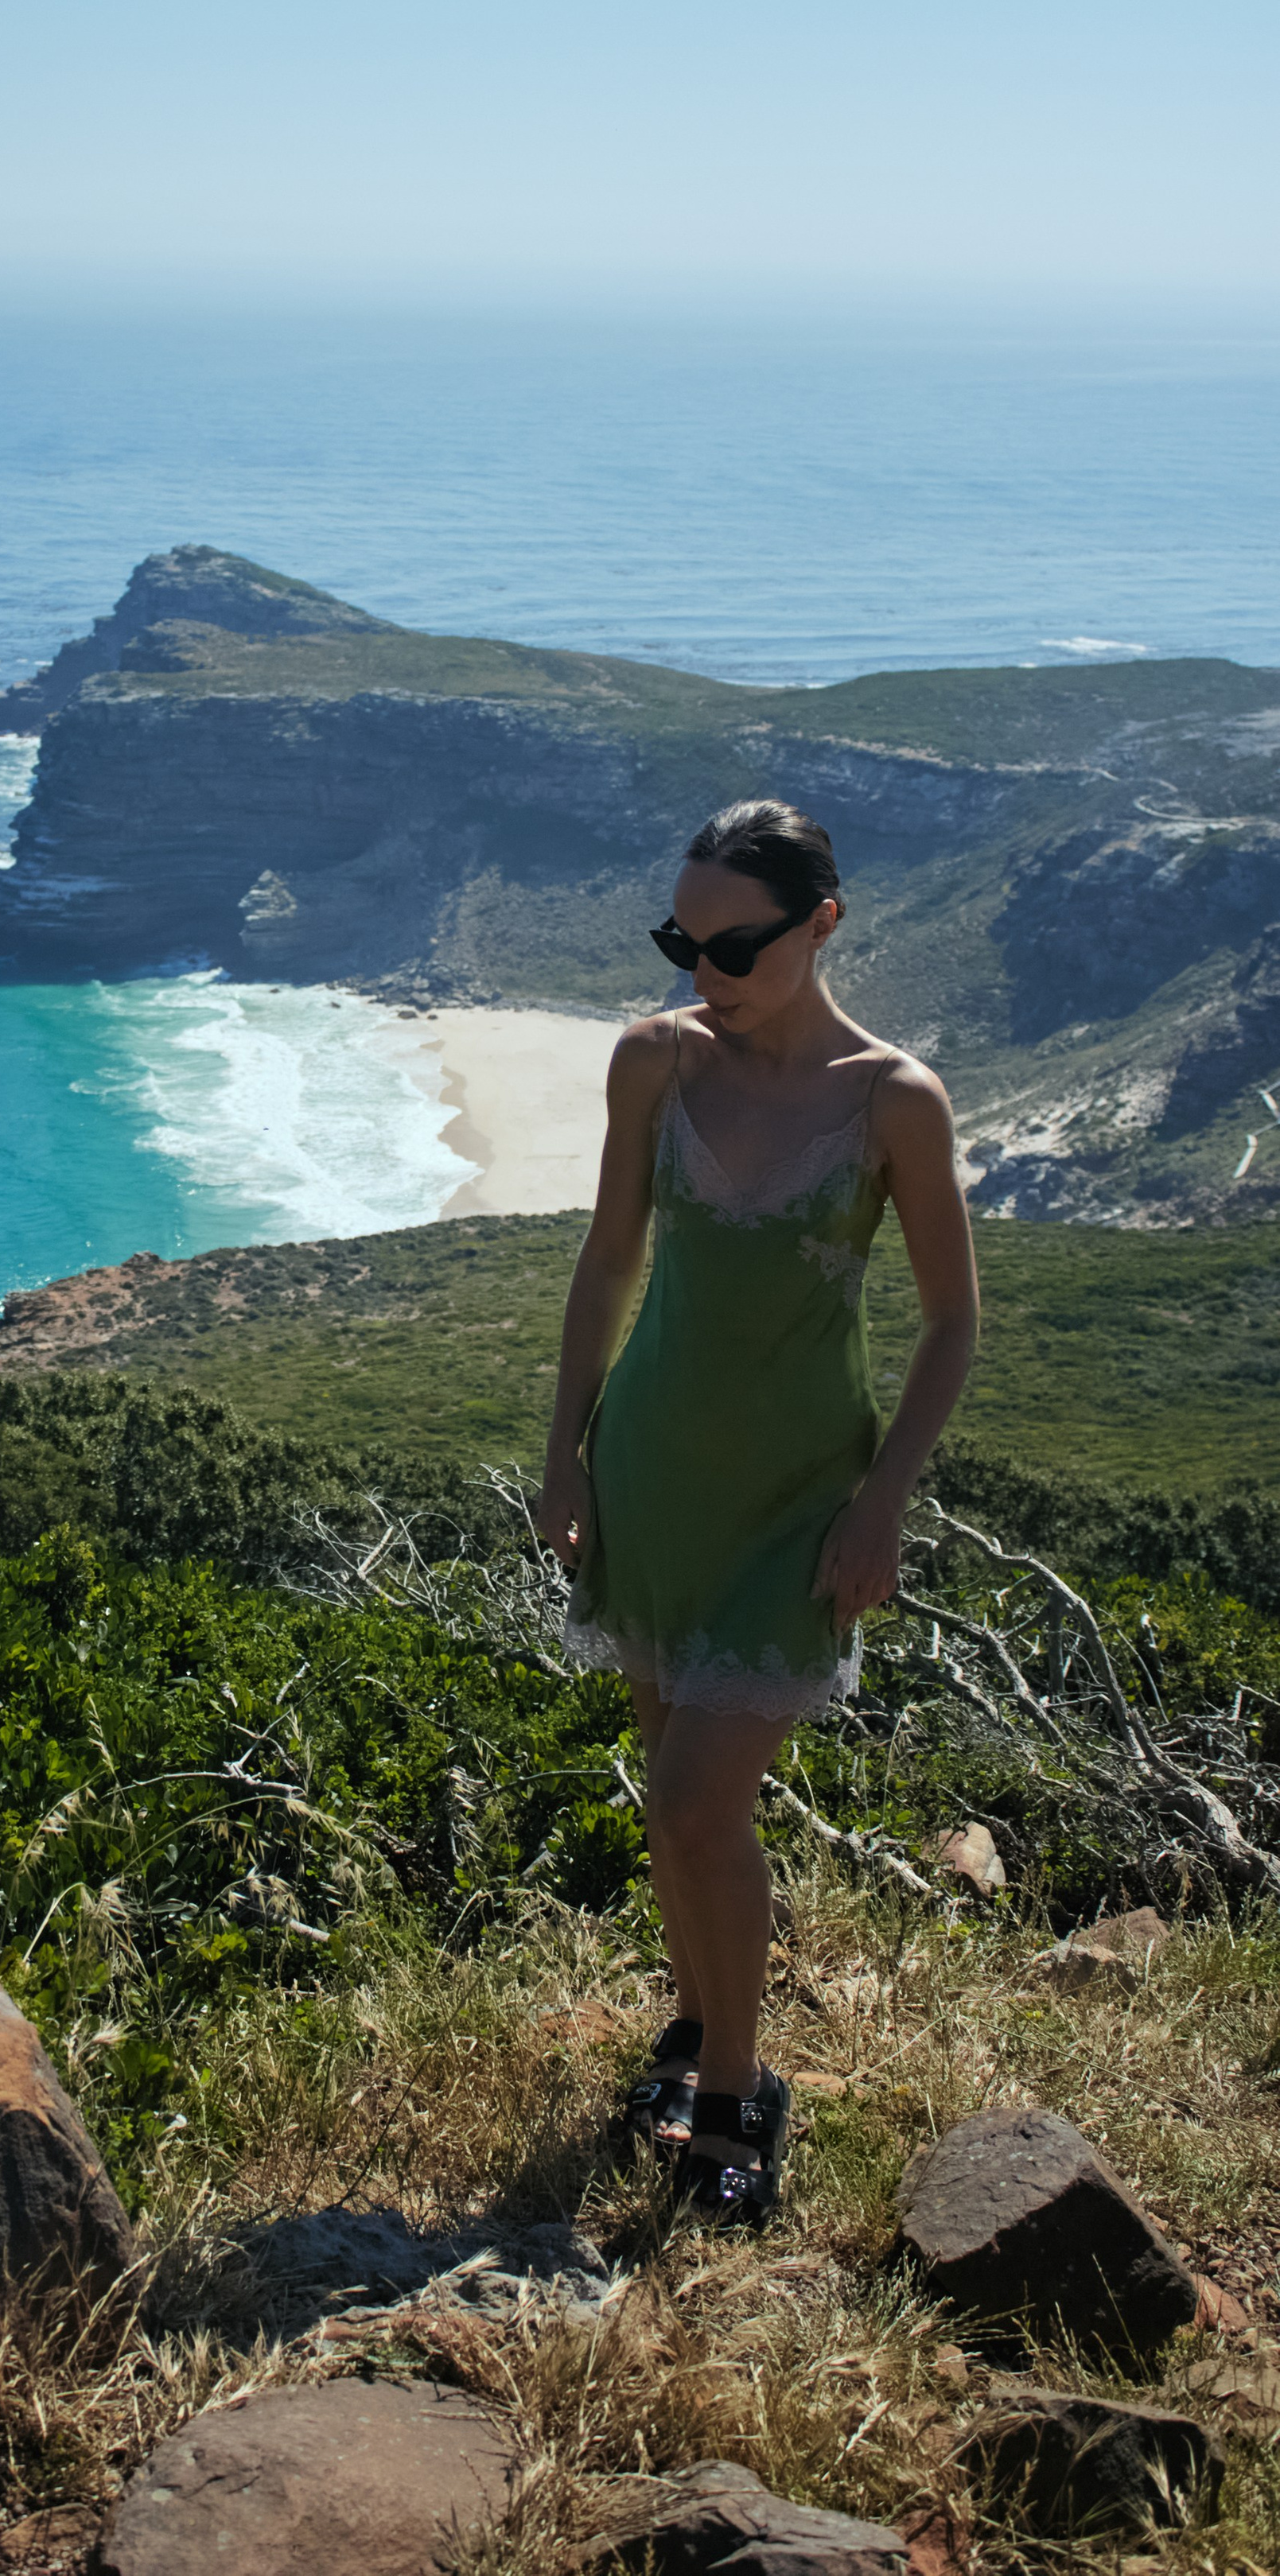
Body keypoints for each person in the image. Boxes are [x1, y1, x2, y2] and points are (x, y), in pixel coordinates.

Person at [539, 799, 978, 2224]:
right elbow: (609, 1262)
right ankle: (691, 2033)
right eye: (684, 939)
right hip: (655, 1470)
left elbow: (953, 1325)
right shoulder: (655, 1063)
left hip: (795, 1501)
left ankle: (738, 2096)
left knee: (692, 1802)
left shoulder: (893, 1099)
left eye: (736, 943)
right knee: (674, 1816)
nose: (703, 969)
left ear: (823, 924)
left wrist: (882, 1503)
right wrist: (566, 1451)